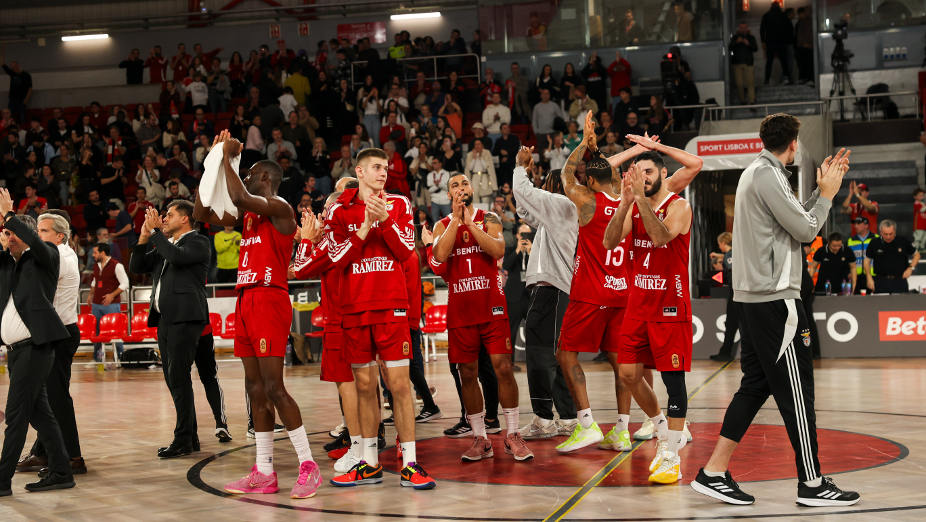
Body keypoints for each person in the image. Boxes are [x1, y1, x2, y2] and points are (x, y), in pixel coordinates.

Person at [690, 114, 859, 506]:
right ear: (794, 143)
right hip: (775, 300)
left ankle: (714, 471)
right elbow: (807, 231)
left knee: (755, 385)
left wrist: (819, 192)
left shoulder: (761, 172)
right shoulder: (767, 175)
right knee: (798, 393)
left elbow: (795, 220)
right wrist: (828, 195)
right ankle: (812, 483)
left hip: (756, 299)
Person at [194, 130, 321, 499]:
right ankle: (264, 470)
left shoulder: (280, 207)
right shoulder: (247, 216)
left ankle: (307, 465)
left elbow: (238, 195)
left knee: (274, 387)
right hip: (246, 299)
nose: (245, 175)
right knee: (254, 389)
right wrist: (214, 162)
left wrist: (229, 158)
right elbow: (202, 212)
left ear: (265, 177)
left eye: (249, 172)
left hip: (268, 298)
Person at [323, 148, 435, 489]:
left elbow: (405, 251)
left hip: (391, 308)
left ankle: (410, 464)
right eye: (376, 167)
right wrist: (364, 227)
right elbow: (336, 258)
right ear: (359, 171)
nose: (383, 172)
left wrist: (383, 219)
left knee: (399, 386)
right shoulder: (339, 210)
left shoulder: (399, 204)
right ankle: (369, 463)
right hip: (356, 309)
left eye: (385, 167)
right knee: (364, 387)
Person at [429, 172, 533, 462]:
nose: (461, 188)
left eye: (464, 183)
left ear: (472, 189)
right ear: (448, 194)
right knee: (467, 373)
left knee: (503, 368)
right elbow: (439, 256)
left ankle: (513, 434)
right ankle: (479, 438)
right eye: (455, 185)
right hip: (461, 310)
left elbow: (497, 249)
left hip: (492, 307)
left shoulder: (489, 218)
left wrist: (470, 224)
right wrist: (456, 221)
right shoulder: (441, 225)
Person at [605, 148, 695, 484]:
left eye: (648, 172)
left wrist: (640, 201)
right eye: (638, 172)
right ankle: (662, 428)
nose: (642, 177)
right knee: (628, 373)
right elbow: (609, 241)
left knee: (673, 381)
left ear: (662, 174)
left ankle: (671, 456)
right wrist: (625, 203)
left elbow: (660, 237)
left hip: (669, 306)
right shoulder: (634, 205)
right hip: (638, 305)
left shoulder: (679, 206)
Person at [0, 200, 74, 497]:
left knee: (15, 415)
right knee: (40, 414)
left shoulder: (46, 257)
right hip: (16, 352)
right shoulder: (10, 265)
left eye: (13, 233)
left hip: (35, 348)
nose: (9, 237)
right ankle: (61, 472)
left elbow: (36, 242)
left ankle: (2, 480)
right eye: (6, 233)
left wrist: (10, 215)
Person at [129, 201, 210, 458]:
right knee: (174, 378)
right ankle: (190, 437)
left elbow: (177, 257)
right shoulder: (168, 245)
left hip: (185, 317)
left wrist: (155, 233)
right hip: (165, 319)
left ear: (185, 219)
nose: (164, 219)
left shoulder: (198, 242)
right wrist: (144, 236)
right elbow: (137, 267)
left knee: (178, 377)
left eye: (170, 215)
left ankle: (183, 438)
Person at [292, 193, 365, 473]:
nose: (323, 216)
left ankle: (358, 448)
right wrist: (308, 239)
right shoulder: (349, 237)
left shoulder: (335, 240)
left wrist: (307, 240)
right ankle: (364, 443)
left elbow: (300, 270)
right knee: (362, 386)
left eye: (326, 210)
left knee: (348, 386)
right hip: (354, 316)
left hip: (341, 320)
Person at [510, 150, 579, 439]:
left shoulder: (561, 204)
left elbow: (524, 193)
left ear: (555, 187)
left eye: (545, 185)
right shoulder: (559, 216)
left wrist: (520, 167)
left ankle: (543, 418)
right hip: (558, 290)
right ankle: (569, 417)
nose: (542, 189)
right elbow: (525, 210)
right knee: (556, 356)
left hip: (551, 290)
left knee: (539, 355)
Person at [15, 212, 85, 477]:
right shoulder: (62, 253)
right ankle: (43, 451)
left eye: (43, 231)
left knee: (57, 398)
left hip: (60, 334)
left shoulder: (62, 257)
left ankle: (73, 457)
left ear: (60, 236)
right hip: (56, 332)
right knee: (45, 398)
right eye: (38, 230)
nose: (38, 235)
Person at [87, 242, 128, 362]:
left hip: (112, 305)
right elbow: (95, 281)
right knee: (97, 332)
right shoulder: (96, 265)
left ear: (103, 253)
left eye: (95, 253)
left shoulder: (117, 265)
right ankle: (98, 358)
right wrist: (90, 295)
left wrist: (112, 295)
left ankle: (120, 357)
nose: (93, 255)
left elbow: (125, 283)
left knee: (116, 331)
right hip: (96, 304)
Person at [864, 220, 919, 294]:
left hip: (900, 281)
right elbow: (867, 260)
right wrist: (869, 277)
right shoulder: (874, 242)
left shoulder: (903, 241)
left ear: (895, 231)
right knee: (880, 301)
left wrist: (910, 268)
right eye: (885, 234)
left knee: (901, 301)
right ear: (881, 232)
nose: (888, 237)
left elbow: (917, 255)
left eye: (891, 234)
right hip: (880, 281)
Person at [710, 232, 739, 361]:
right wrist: (719, 255)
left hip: (735, 294)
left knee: (731, 324)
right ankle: (725, 352)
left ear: (723, 243)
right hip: (741, 293)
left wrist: (721, 269)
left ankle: (725, 353)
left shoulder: (729, 256)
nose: (719, 246)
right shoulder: (735, 252)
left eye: (719, 244)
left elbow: (732, 268)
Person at [760, 3, 795, 84]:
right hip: (781, 42)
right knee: (784, 61)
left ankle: (767, 79)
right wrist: (787, 41)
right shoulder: (783, 15)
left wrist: (763, 41)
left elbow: (762, 30)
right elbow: (788, 29)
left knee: (769, 62)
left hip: (770, 42)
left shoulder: (766, 16)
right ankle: (786, 77)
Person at [729, 23, 758, 105]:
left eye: (745, 28)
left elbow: (755, 48)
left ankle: (752, 100)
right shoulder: (735, 38)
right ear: (739, 29)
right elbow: (729, 48)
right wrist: (736, 42)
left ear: (747, 28)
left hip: (748, 63)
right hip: (737, 64)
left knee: (750, 83)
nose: (743, 29)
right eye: (741, 28)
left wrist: (748, 44)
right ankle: (742, 100)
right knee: (739, 84)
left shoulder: (751, 37)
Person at [914, 188, 926, 252]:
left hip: (924, 225)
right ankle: (915, 248)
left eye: (922, 195)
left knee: (924, 238)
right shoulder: (916, 203)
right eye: (920, 195)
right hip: (918, 225)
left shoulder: (923, 203)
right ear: (915, 196)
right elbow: (921, 210)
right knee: (918, 238)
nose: (922, 197)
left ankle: (922, 247)